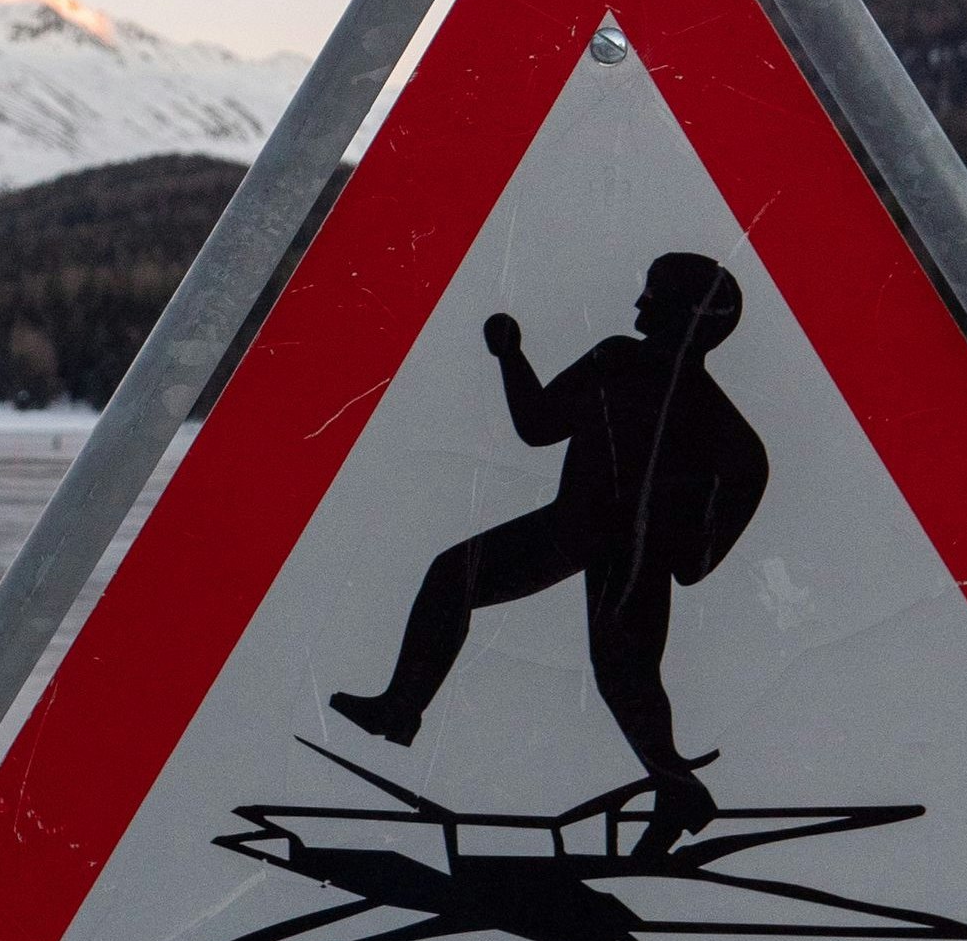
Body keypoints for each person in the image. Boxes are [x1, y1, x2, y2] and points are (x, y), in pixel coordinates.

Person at [326, 252, 770, 856]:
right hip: (607, 541)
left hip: (593, 536)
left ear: (686, 317)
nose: (639, 305)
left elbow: (538, 426)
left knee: (614, 670)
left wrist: (693, 554)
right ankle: (676, 789)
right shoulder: (638, 370)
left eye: (653, 296)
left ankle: (676, 790)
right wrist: (511, 357)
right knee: (621, 673)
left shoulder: (634, 369)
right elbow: (541, 426)